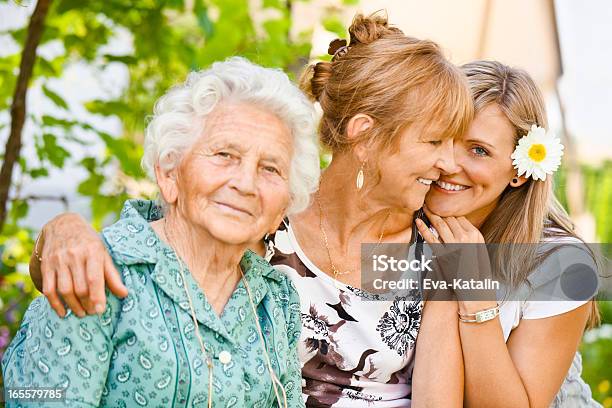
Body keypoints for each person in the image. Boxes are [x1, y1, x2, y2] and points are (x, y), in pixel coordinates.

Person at [23, 13, 473, 407]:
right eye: (435, 141)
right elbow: (139, 246)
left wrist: (478, 284)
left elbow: (538, 280)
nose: (451, 163)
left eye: (269, 169)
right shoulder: (265, 229)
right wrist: (60, 231)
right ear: (365, 135)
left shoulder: (440, 247)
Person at [2, 57, 322, 407]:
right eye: (224, 154)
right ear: (169, 174)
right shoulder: (96, 271)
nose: (246, 183)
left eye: (270, 168)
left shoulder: (275, 299)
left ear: (283, 207)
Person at [416, 60, 601, 407]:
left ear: (519, 171)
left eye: (478, 150)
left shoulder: (562, 264)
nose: (448, 163)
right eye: (442, 137)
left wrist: (474, 289)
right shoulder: (398, 223)